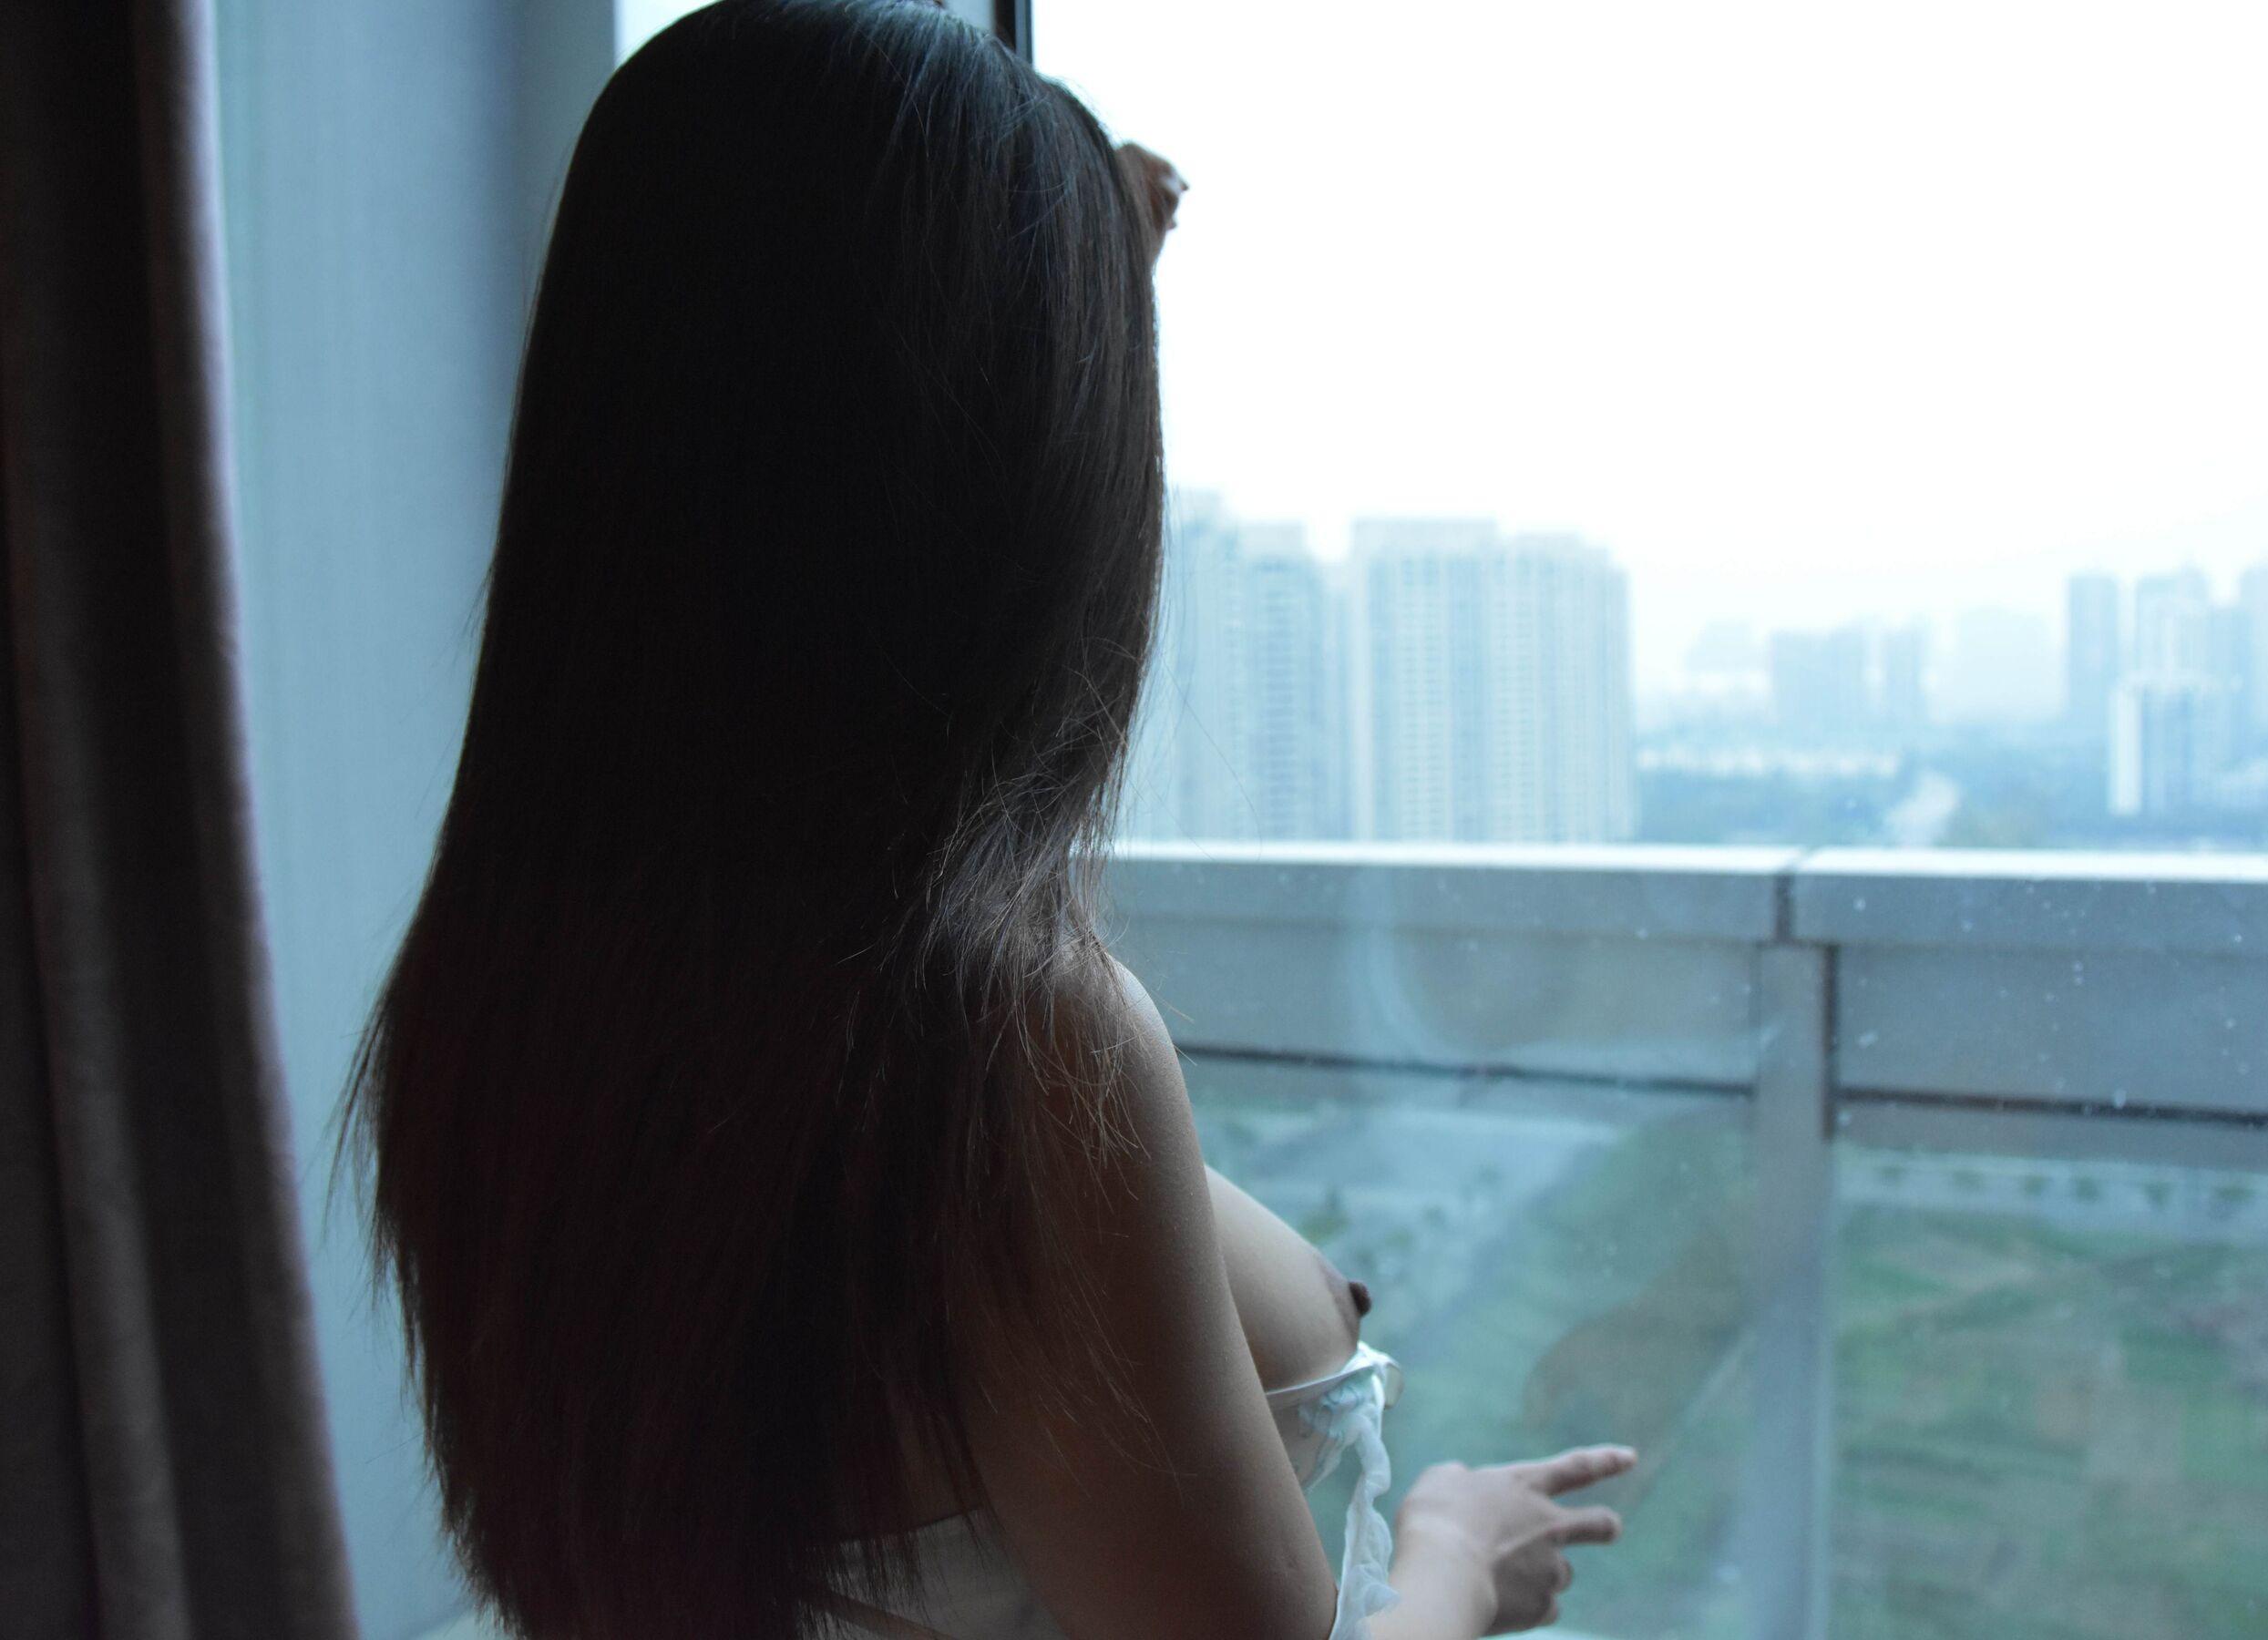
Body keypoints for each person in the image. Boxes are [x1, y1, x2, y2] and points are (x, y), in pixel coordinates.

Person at [343, 3, 1636, 1636]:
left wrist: (1068, 269)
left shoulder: (509, 991)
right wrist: (1452, 1560)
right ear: (994, 498)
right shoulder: (1001, 1058)